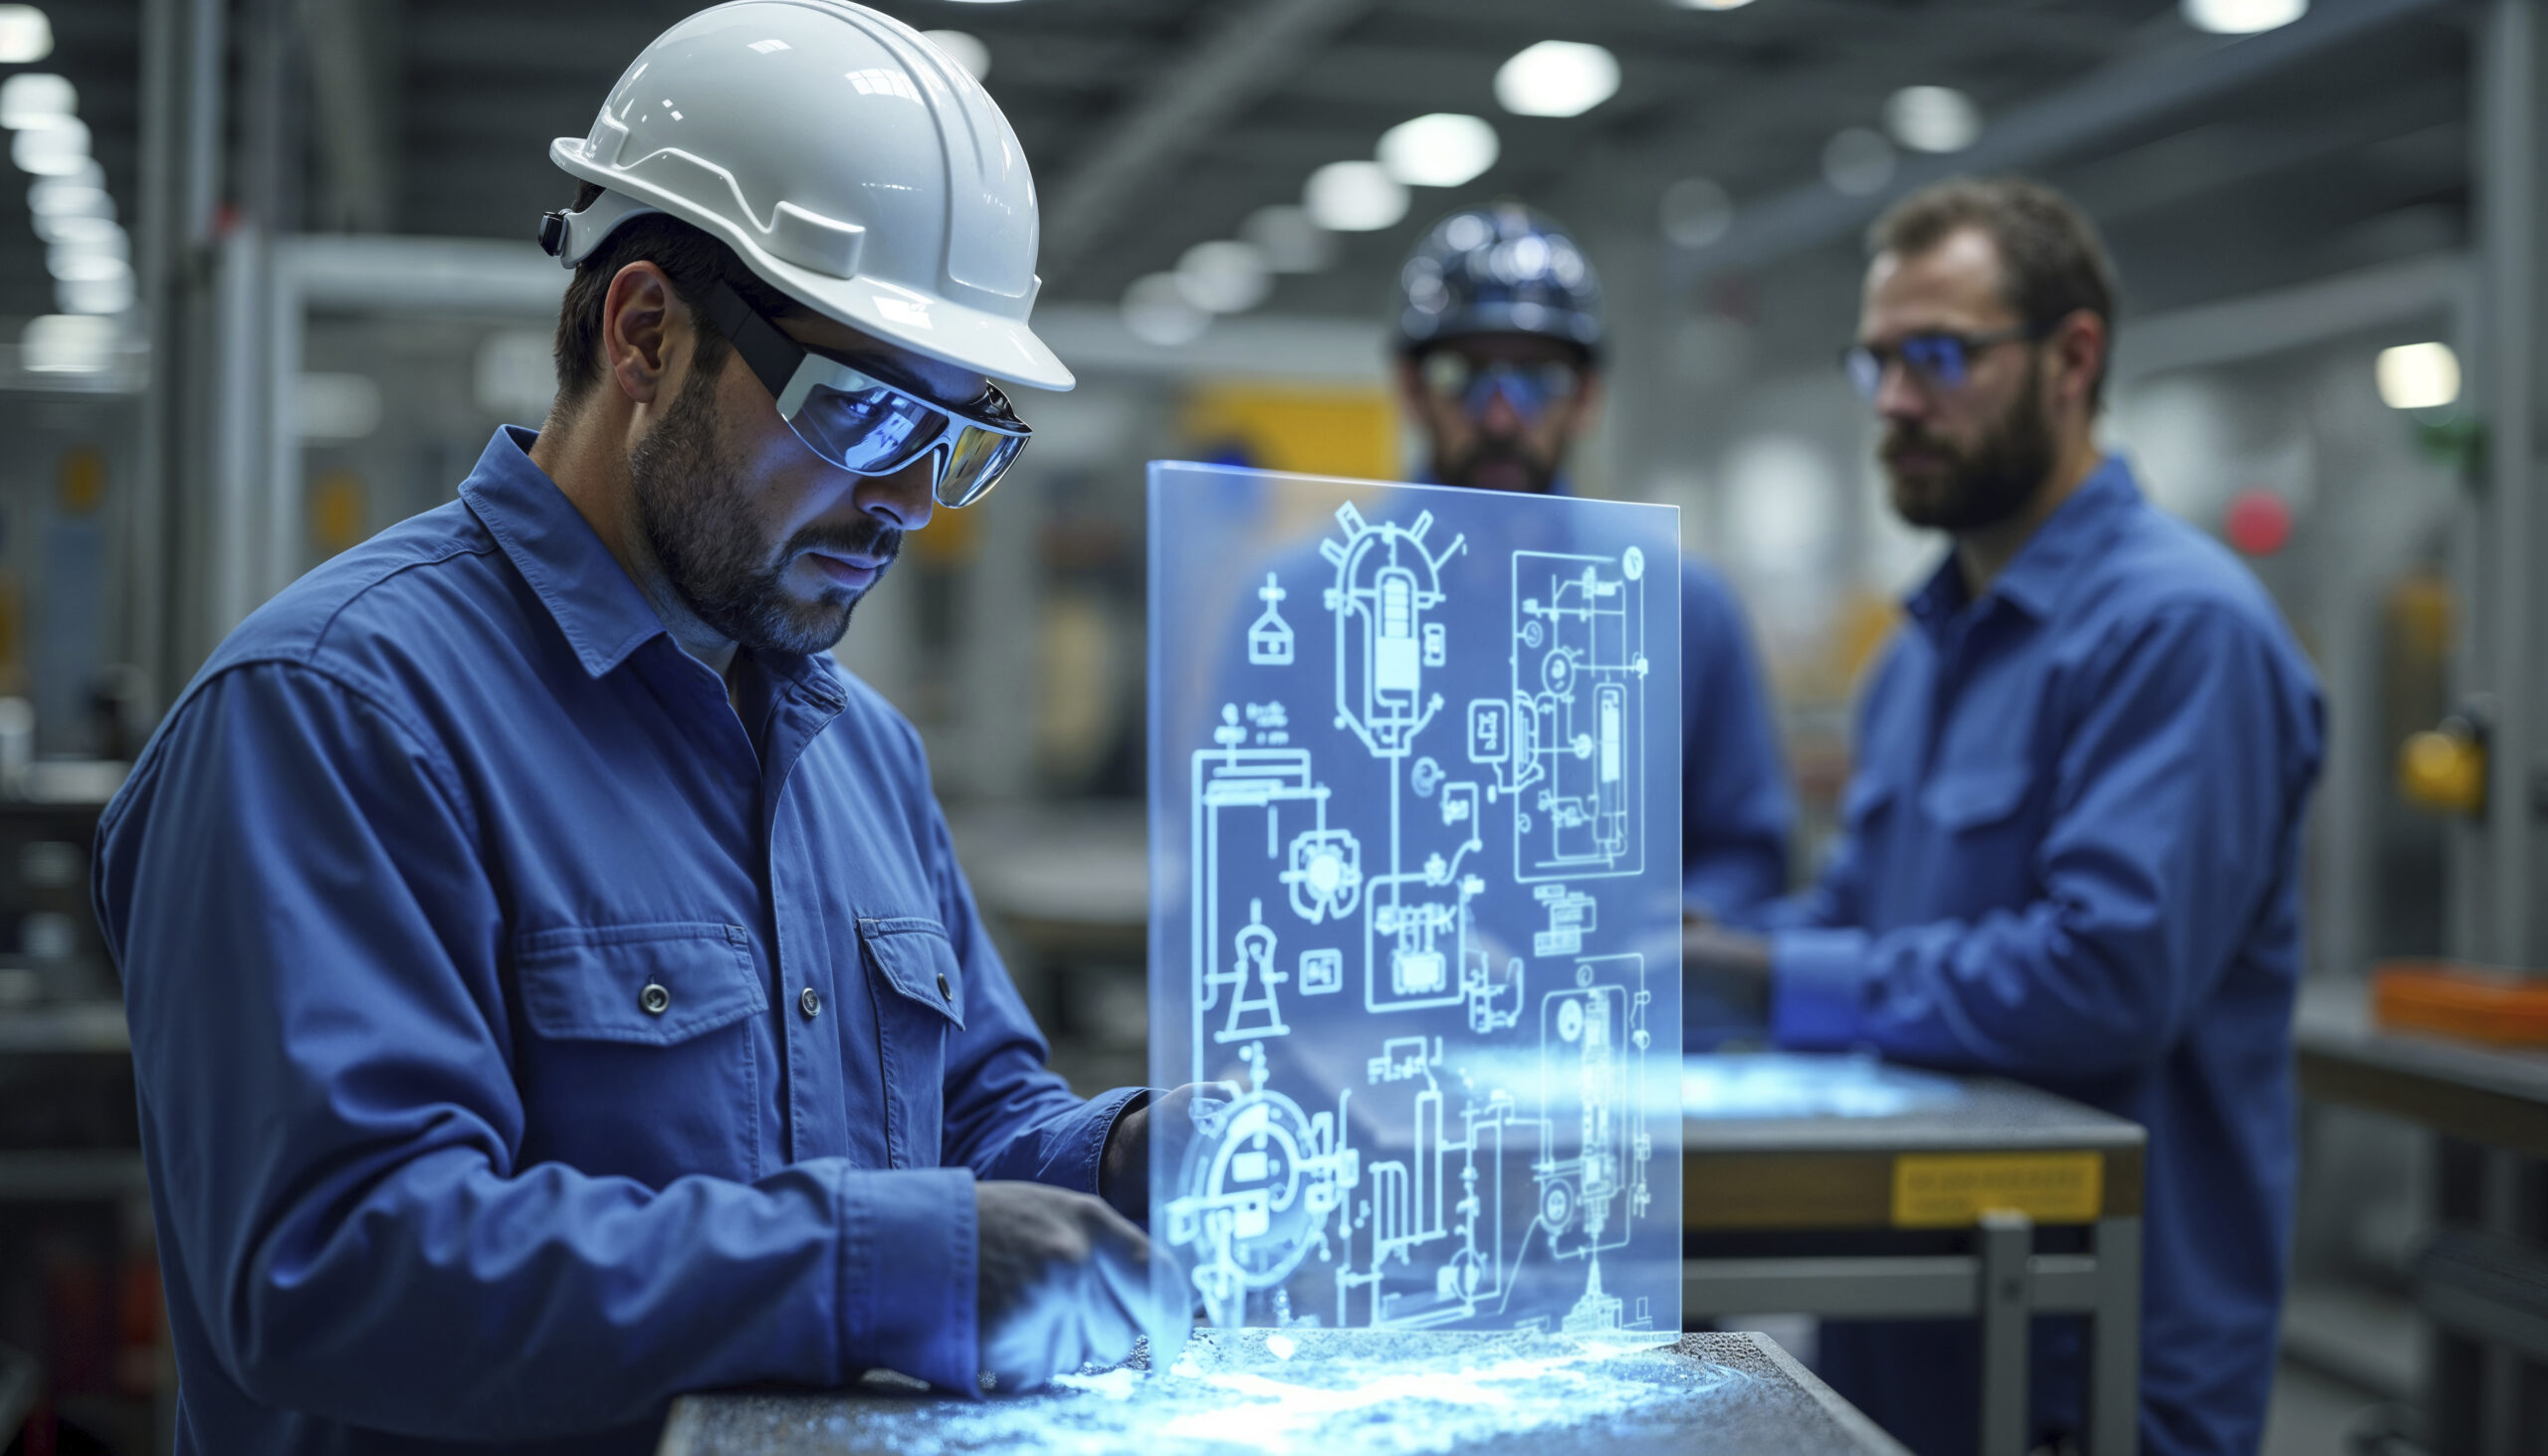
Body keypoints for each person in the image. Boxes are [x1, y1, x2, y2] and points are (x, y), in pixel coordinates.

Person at [90, 6, 1188, 1450]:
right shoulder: (335, 715)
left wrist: (1118, 1156)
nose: (913, 503)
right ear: (647, 333)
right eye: (863, 417)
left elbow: (968, 1117)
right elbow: (339, 1258)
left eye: (957, 443)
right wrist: (873, 1265)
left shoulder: (860, 749)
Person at [1689, 177, 2323, 1455]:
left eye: (1937, 357)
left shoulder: (2177, 631)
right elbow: (1857, 927)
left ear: (2072, 358)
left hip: (2092, 1359)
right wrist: (1692, 945)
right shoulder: (1912, 662)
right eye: (1875, 362)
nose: (1895, 404)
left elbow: (2106, 973)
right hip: (1901, 1328)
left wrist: (1770, 969)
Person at [1391, 203, 1794, 936]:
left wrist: (1684, 923)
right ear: (1411, 389)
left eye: (1537, 376)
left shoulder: (1682, 606)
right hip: (1371, 1033)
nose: (1501, 415)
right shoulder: (1308, 606)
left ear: (1587, 397)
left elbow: (1749, 851)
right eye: (1463, 374)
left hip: (1610, 1025)